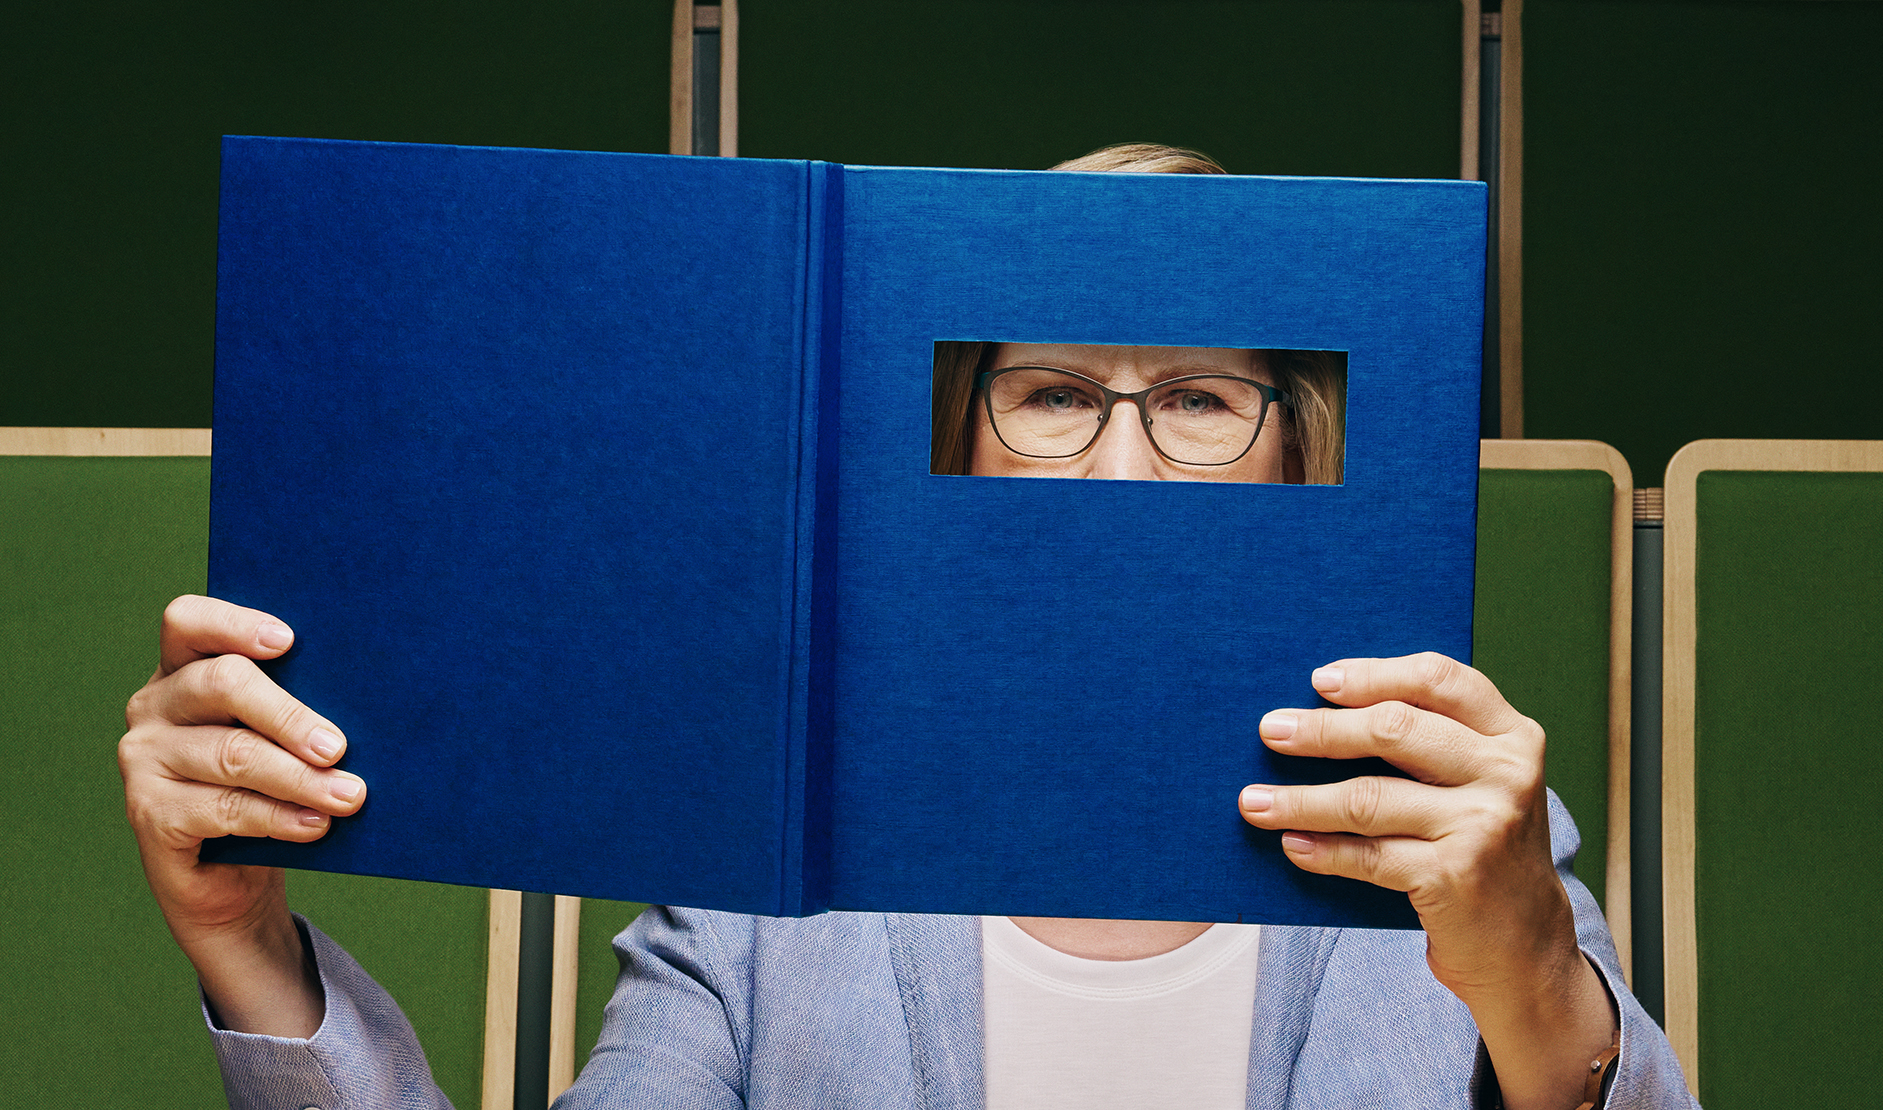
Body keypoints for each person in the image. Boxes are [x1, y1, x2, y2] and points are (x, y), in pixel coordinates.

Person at [118, 144, 1697, 1109]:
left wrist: (1533, 981)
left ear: (1299, 443)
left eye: (1204, 397)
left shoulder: (1457, 833)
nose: (1127, 457)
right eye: (1056, 393)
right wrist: (251, 947)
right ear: (962, 442)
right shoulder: (763, 883)